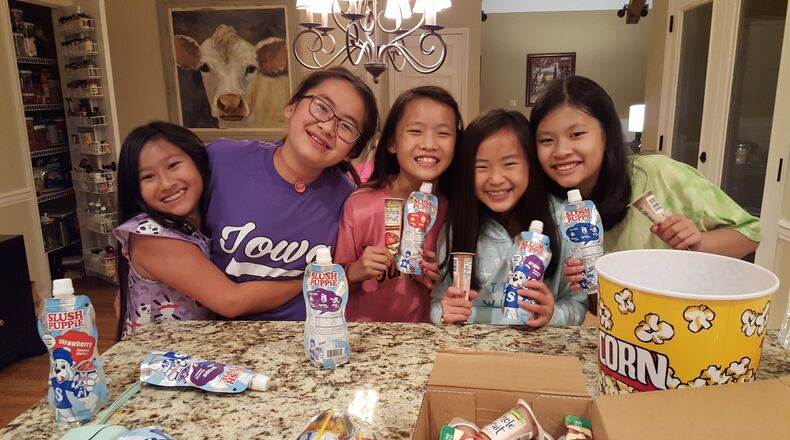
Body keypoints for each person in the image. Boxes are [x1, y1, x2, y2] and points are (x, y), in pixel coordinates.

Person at [530, 76, 761, 290]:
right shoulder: (550, 207)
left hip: (682, 318)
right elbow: (595, 305)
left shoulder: (659, 174)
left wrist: (698, 241)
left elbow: (750, 235)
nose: (561, 151)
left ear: (606, 134)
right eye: (547, 140)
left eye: (577, 134)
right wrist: (581, 286)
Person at [205, 67, 379, 320]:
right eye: (321, 107)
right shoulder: (222, 161)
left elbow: (353, 275)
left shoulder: (349, 200)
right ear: (291, 107)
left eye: (347, 126)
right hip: (218, 340)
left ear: (352, 150)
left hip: (310, 342)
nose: (328, 127)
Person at [114, 122, 298, 338]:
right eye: (147, 177)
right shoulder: (153, 237)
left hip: (193, 355)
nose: (166, 183)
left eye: (173, 165)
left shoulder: (197, 223)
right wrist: (305, 280)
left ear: (197, 162)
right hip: (158, 363)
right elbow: (231, 301)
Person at [431, 110, 588, 327]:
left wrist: (552, 315)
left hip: (537, 349)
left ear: (530, 166)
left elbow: (577, 304)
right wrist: (444, 313)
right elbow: (438, 303)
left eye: (510, 164)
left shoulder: (562, 220)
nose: (496, 179)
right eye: (481, 167)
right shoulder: (458, 224)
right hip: (472, 350)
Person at [334, 86, 463, 322]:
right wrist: (355, 271)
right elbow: (330, 283)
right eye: (415, 131)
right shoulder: (360, 205)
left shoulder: (454, 210)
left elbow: (456, 291)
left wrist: (438, 279)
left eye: (443, 134)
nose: (429, 144)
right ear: (392, 143)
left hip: (425, 338)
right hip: (363, 336)